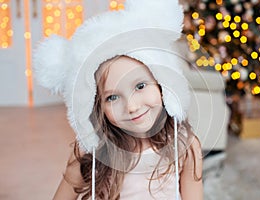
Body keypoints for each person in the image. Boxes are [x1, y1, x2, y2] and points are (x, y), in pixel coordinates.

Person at [33, 0, 203, 199]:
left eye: (140, 86)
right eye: (112, 97)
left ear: (162, 84)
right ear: (96, 107)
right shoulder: (91, 152)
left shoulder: (185, 145)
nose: (131, 107)